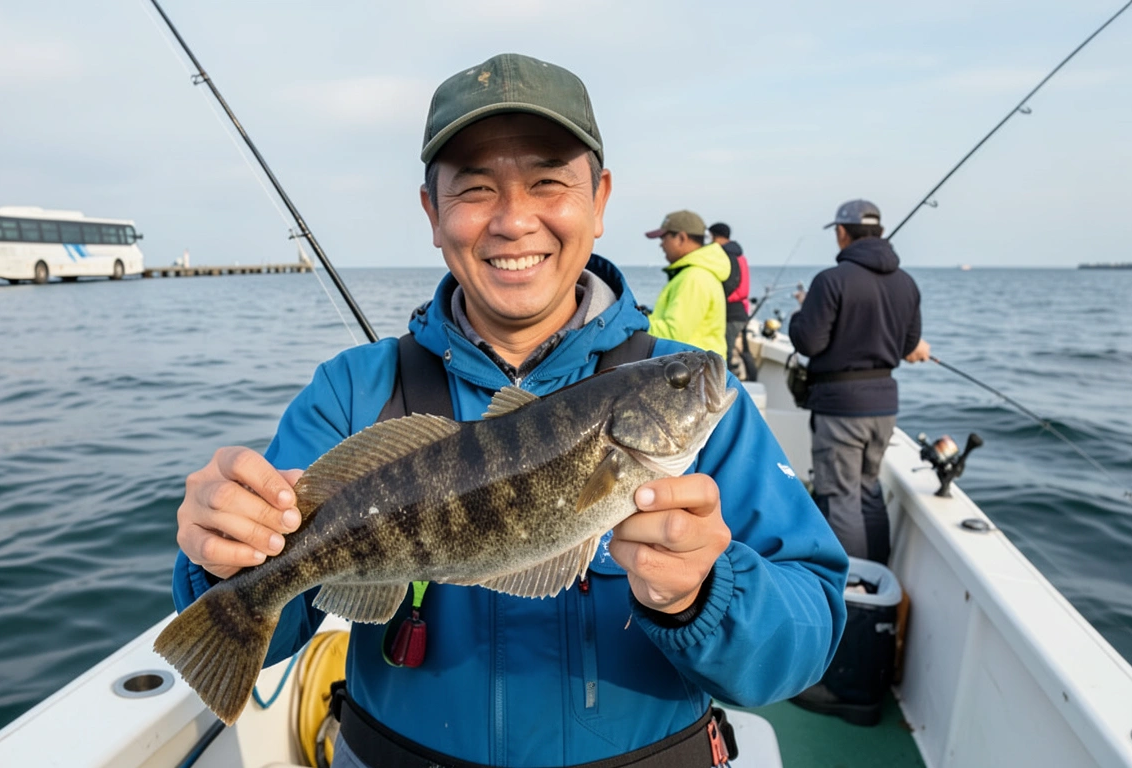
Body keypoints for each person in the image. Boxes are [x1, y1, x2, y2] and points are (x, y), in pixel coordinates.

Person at [173, 53, 847, 768]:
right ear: (433, 213)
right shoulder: (351, 392)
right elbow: (273, 627)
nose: (514, 220)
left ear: (600, 199)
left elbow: (803, 639)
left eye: (549, 182)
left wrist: (706, 593)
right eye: (475, 189)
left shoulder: (718, 417)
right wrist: (223, 557)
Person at [788, 200, 930, 564]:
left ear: (841, 232)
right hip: (884, 407)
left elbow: (808, 342)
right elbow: (908, 345)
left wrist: (801, 313)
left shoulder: (831, 280)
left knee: (840, 497)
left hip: (840, 407)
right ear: (879, 231)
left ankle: (852, 585)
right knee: (868, 491)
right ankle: (877, 573)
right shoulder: (907, 283)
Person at [644, 211, 731, 359]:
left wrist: (634, 323)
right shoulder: (698, 273)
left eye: (664, 237)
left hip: (693, 368)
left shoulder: (694, 277)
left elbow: (673, 334)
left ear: (681, 238)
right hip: (695, 364)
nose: (661, 244)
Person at [709, 222, 751, 380]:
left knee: (725, 355)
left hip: (731, 312)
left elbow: (730, 284)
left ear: (716, 236)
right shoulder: (739, 255)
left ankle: (726, 386)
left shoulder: (727, 256)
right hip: (740, 311)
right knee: (739, 352)